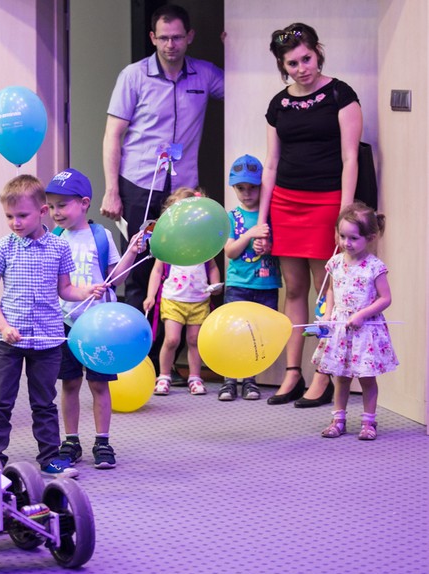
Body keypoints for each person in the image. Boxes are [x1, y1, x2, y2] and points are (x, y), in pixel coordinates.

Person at [100, 4, 223, 377]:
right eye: (164, 38)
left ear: (190, 37)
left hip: (184, 190)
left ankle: (172, 364)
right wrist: (111, 190)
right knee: (141, 271)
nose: (171, 45)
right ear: (153, 38)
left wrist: (236, 48)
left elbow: (246, 90)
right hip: (140, 184)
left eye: (178, 37)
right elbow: (113, 135)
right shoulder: (133, 76)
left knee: (184, 266)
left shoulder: (205, 74)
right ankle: (140, 364)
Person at [256, 23, 363, 409]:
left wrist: (343, 215)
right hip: (286, 202)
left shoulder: (340, 95)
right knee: (295, 288)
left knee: (326, 291)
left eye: (307, 59)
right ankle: (292, 372)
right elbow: (271, 164)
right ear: (282, 66)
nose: (302, 68)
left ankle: (323, 373)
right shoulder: (278, 104)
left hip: (327, 202)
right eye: (292, 63)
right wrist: (262, 220)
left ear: (318, 52)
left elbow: (351, 158)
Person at [0, 175, 107, 478]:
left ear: (41, 212)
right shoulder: (4, 247)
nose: (15, 222)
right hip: (8, 341)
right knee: (1, 401)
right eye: (9, 216)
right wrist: (3, 325)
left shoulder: (59, 247)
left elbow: (65, 289)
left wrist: (86, 291)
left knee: (44, 402)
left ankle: (50, 457)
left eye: (22, 215)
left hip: (47, 340)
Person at [45, 168, 145, 470]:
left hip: (99, 327)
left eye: (63, 205)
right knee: (70, 384)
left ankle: (102, 441)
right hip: (67, 323)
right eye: (51, 206)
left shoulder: (100, 236)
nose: (56, 212)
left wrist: (131, 252)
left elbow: (117, 278)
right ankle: (71, 440)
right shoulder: (54, 238)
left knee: (99, 385)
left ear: (84, 203)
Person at [313, 203, 397, 441]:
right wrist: (328, 314)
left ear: (369, 238)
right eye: (342, 236)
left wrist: (362, 315)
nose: (346, 243)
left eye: (353, 238)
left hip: (365, 330)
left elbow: (385, 298)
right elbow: (331, 290)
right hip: (341, 328)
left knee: (367, 378)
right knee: (341, 377)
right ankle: (338, 419)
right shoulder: (335, 263)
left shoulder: (375, 267)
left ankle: (368, 422)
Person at [143, 187, 222, 396]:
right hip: (173, 299)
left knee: (194, 341)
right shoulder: (169, 244)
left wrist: (215, 284)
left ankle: (195, 377)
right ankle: (164, 375)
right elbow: (157, 270)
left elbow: (212, 267)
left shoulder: (204, 243)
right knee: (171, 340)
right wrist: (150, 295)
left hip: (199, 300)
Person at [218, 155, 281, 401]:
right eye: (241, 188)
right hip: (238, 286)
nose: (247, 193)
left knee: (258, 335)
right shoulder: (232, 216)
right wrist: (249, 235)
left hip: (266, 285)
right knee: (234, 333)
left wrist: (268, 247)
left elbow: (280, 249)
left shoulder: (270, 216)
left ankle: (250, 380)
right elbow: (230, 251)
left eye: (252, 187)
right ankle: (229, 380)